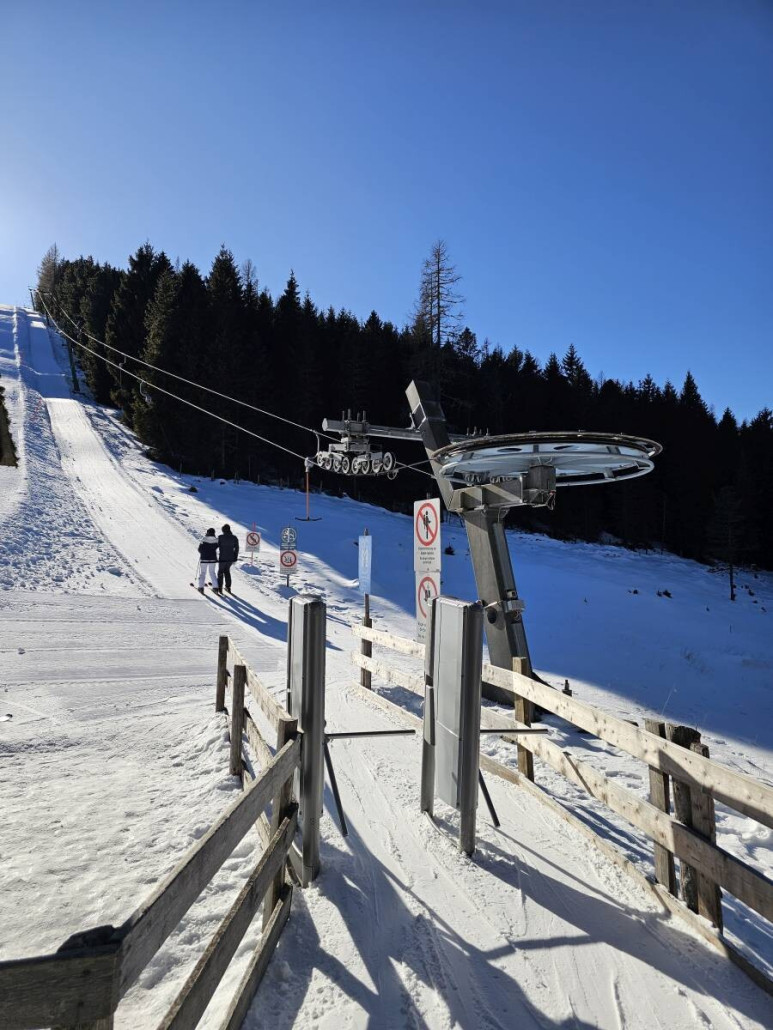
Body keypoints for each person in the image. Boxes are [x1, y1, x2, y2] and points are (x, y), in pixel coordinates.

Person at [217, 523, 239, 594]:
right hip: (230, 558)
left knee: (220, 572)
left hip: (222, 558)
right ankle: (228, 587)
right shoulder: (234, 538)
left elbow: (215, 546)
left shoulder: (220, 537)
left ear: (223, 530)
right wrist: (235, 557)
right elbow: (237, 548)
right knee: (227, 571)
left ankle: (219, 588)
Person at [197, 528, 219, 593]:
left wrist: (203, 553)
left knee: (203, 573)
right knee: (212, 572)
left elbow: (199, 549)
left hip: (204, 559)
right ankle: (215, 588)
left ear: (207, 532)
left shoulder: (203, 539)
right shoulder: (216, 540)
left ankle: (201, 588)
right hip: (213, 559)